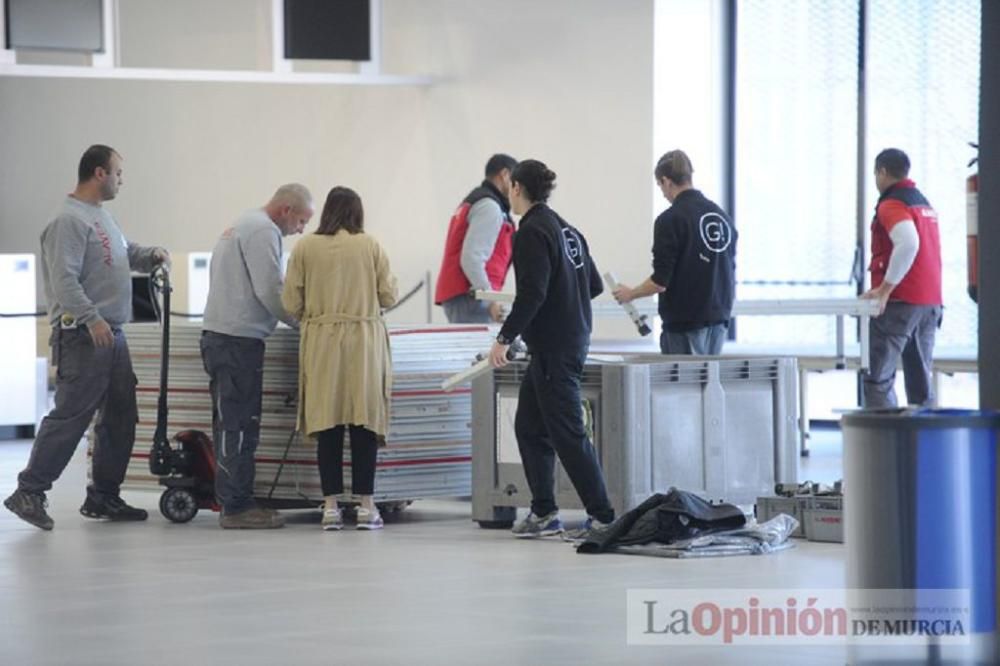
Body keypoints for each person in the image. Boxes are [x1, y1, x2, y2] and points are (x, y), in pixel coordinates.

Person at [4, 144, 169, 530]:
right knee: (72, 416)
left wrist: (151, 256)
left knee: (121, 415)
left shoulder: (101, 217)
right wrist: (91, 318)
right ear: (99, 173)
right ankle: (29, 490)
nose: (121, 180)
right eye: (118, 173)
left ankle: (103, 495)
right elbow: (64, 281)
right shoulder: (68, 221)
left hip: (110, 333)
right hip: (84, 334)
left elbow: (123, 254)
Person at [488, 159, 614, 538]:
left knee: (568, 434)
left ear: (516, 188)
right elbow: (592, 285)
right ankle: (544, 512)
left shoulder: (530, 232)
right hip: (565, 343)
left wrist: (504, 338)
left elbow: (533, 293)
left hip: (554, 349)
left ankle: (603, 516)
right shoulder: (568, 230)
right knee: (529, 427)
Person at [282, 186, 398, 531]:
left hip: (321, 341)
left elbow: (291, 303)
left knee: (327, 424)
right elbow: (389, 295)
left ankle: (330, 506)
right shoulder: (370, 245)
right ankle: (366, 505)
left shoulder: (305, 248)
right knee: (364, 423)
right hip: (364, 339)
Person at [201, 183, 314, 529]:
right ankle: (236, 507)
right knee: (238, 426)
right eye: (301, 221)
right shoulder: (263, 231)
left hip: (224, 337)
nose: (301, 230)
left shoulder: (242, 223)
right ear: (285, 210)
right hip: (237, 342)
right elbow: (271, 289)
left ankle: (234, 500)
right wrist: (304, 324)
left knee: (231, 422)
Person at [612, 150, 737, 355]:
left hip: (685, 323)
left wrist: (630, 293)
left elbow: (661, 281)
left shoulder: (670, 220)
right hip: (719, 319)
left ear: (666, 181)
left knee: (682, 386)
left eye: (660, 185)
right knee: (708, 384)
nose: (662, 192)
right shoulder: (723, 218)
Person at [861, 148, 942, 408]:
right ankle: (924, 447)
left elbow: (908, 243)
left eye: (876, 173)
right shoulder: (922, 203)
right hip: (929, 304)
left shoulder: (892, 204)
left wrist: (885, 289)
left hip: (900, 304)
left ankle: (883, 447)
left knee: (878, 381)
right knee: (921, 385)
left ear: (882, 172)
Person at [435, 153, 518, 323]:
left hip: (464, 295)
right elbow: (472, 257)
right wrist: (489, 300)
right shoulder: (489, 207)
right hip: (471, 297)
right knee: (474, 349)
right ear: (504, 175)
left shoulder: (474, 202)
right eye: (515, 181)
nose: (517, 189)